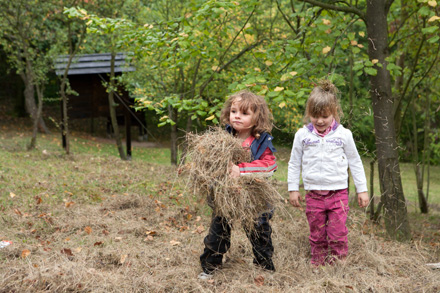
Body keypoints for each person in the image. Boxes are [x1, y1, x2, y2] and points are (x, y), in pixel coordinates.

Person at [287, 80, 369, 266]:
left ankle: (339, 261)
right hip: (313, 193)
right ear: (309, 114)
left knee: (337, 232)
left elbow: (355, 162)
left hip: (338, 193)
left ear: (334, 113)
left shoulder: (343, 135)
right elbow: (294, 163)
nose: (320, 121)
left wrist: (361, 189)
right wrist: (293, 188)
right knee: (317, 231)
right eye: (315, 116)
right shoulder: (302, 135)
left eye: (325, 116)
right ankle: (318, 262)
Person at [198, 90, 278, 280]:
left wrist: (241, 170)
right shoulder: (223, 137)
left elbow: (270, 165)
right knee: (218, 231)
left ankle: (264, 267)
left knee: (259, 232)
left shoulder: (261, 141)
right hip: (225, 196)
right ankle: (210, 267)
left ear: (257, 117)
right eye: (234, 111)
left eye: (244, 113)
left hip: (254, 199)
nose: (237, 116)